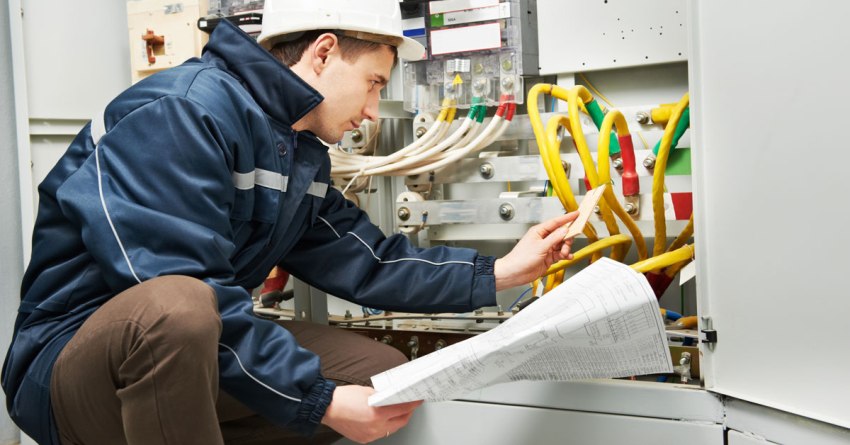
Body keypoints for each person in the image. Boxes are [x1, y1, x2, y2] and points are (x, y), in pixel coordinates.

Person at [2, 0, 578, 443]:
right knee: (177, 306)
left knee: (377, 375)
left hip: (182, 353)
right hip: (70, 371)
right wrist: (318, 401)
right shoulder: (181, 112)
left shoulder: (293, 148)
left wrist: (500, 272)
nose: (374, 110)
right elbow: (177, 287)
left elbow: (365, 258)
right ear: (323, 53)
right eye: (375, 82)